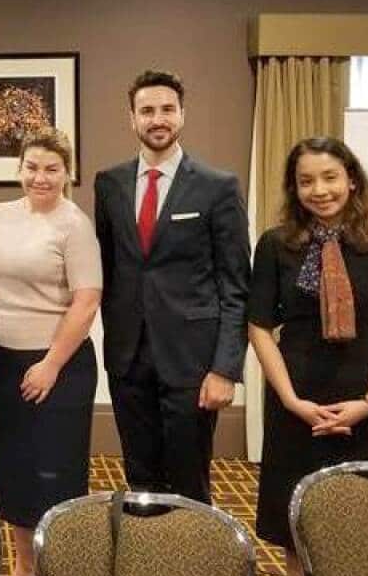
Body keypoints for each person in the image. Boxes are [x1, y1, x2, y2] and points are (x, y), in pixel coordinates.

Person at [248, 136, 368, 576]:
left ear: (352, 180)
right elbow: (259, 327)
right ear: (294, 188)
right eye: (306, 181)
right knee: (296, 529)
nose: (319, 190)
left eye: (329, 177)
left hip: (365, 403)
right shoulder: (276, 245)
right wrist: (290, 400)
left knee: (359, 529)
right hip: (296, 403)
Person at [94, 69, 251, 504]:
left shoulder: (218, 187)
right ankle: (147, 568)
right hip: (128, 360)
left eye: (166, 109)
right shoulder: (109, 184)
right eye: (147, 111)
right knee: (140, 481)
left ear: (182, 114)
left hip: (193, 363)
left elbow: (237, 285)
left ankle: (193, 570)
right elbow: (110, 269)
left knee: (189, 484)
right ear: (132, 118)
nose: (157, 119)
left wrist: (225, 368)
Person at [0, 127, 102, 576]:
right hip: (7, 361)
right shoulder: (0, 214)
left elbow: (86, 301)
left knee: (54, 475)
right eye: (32, 167)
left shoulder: (75, 224)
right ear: (19, 169)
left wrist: (50, 364)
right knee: (14, 472)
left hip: (60, 367)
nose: (40, 177)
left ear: (67, 172)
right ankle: (26, 568)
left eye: (51, 168)